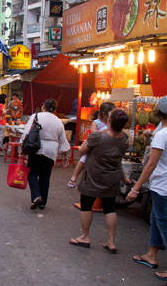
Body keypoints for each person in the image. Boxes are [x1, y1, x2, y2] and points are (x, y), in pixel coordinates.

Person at [70, 110, 129, 253]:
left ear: (109, 120)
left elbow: (82, 150)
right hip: (112, 178)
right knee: (109, 208)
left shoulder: (97, 136)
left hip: (93, 176)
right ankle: (111, 241)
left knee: (86, 205)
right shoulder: (124, 140)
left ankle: (85, 236)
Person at [129, 97, 167, 275]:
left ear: (158, 113)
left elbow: (151, 164)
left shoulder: (162, 135)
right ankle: (151, 254)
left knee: (163, 223)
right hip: (161, 185)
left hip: (163, 186)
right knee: (155, 220)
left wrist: (136, 188)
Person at [21, 99, 70, 210]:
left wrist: (22, 149)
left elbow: (26, 133)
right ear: (55, 110)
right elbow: (63, 140)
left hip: (36, 147)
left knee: (32, 173)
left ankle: (37, 196)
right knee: (45, 176)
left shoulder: (36, 116)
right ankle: (43, 202)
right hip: (51, 150)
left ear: (43, 107)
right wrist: (65, 155)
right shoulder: (58, 121)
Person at [68, 102, 116, 188]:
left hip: (106, 147)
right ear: (105, 114)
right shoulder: (96, 122)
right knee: (83, 158)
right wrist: (101, 132)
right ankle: (73, 177)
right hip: (94, 146)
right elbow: (93, 132)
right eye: (112, 113)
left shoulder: (112, 123)